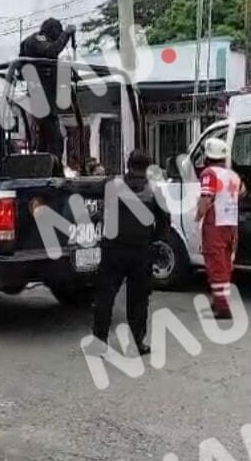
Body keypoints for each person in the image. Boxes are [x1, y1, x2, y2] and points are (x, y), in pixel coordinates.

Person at [89, 149, 170, 356]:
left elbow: (95, 207)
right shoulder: (154, 191)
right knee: (138, 300)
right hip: (140, 252)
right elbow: (164, 223)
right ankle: (137, 343)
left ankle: (99, 342)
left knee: (105, 297)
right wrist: (152, 242)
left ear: (128, 165)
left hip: (113, 250)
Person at [195, 137, 243, 319]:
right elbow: (243, 191)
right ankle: (218, 299)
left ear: (208, 155)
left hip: (215, 223)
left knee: (215, 264)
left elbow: (206, 199)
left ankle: (222, 306)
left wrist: (198, 216)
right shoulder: (233, 176)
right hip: (231, 224)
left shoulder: (209, 173)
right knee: (225, 263)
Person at [19, 18, 76, 160]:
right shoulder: (37, 39)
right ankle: (54, 171)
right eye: (58, 33)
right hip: (41, 98)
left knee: (45, 140)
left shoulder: (37, 41)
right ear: (52, 30)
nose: (58, 37)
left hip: (46, 97)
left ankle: (42, 168)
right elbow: (51, 51)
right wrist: (67, 35)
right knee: (56, 140)